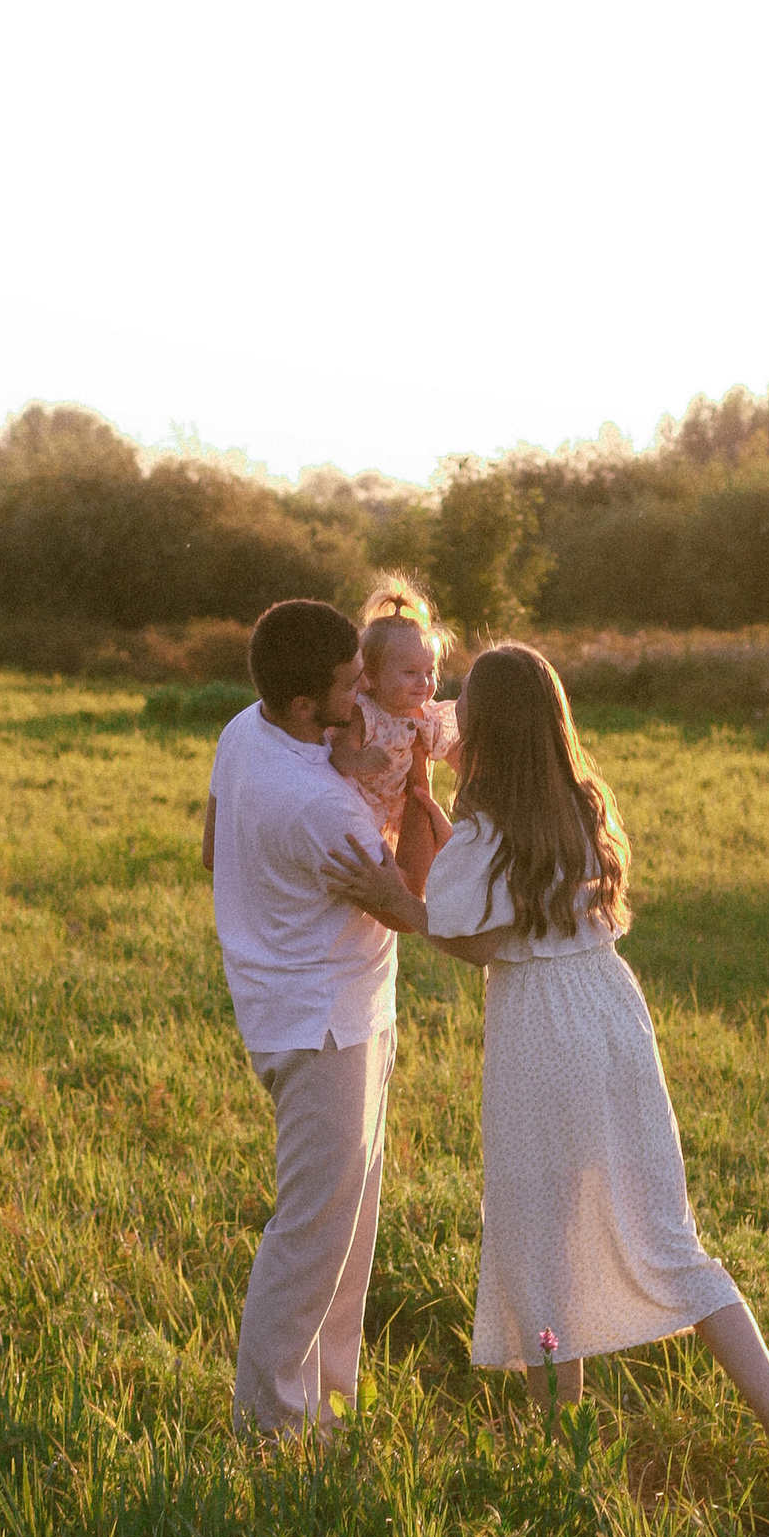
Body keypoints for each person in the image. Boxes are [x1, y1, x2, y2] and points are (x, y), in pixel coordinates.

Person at [348, 639, 769, 1534]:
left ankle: (563, 1472)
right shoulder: (584, 804)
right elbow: (500, 904)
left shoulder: (490, 832)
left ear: (489, 731)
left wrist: (399, 904)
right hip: (613, 1015)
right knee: (669, 1238)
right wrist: (431, 781)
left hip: (541, 1030)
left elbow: (468, 936)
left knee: (541, 1249)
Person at [201, 596, 432, 1439]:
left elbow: (213, 849)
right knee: (311, 1237)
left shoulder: (243, 731)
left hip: (314, 1009)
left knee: (346, 1233)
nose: (364, 689)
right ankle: (270, 1431)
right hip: (324, 1026)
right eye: (348, 683)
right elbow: (409, 904)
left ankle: (330, 1410)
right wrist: (416, 785)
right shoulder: (319, 804)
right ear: (305, 703)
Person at [326, 579, 460, 856]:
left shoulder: (428, 715)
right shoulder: (364, 714)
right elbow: (339, 756)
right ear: (371, 675)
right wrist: (361, 760)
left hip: (400, 815)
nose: (423, 682)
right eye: (410, 673)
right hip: (360, 810)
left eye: (430, 671)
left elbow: (457, 752)